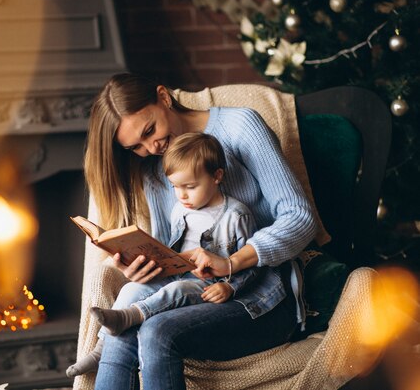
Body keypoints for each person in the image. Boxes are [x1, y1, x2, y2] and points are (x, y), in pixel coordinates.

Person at [80, 73, 317, 390]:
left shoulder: (240, 126)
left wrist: (233, 262)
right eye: (136, 146)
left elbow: (299, 217)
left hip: (263, 297)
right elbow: (175, 252)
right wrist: (145, 266)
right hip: (197, 294)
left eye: (150, 130)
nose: (152, 147)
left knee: (156, 331)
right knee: (126, 324)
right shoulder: (156, 169)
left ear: (163, 97)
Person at [67, 132, 287, 378]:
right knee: (131, 290)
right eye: (175, 187)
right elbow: (173, 249)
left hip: (209, 285)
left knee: (178, 291)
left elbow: (254, 266)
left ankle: (131, 316)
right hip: (179, 274)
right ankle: (100, 350)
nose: (181, 195)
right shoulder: (179, 210)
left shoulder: (236, 216)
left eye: (190, 187)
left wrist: (230, 288)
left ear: (217, 176)